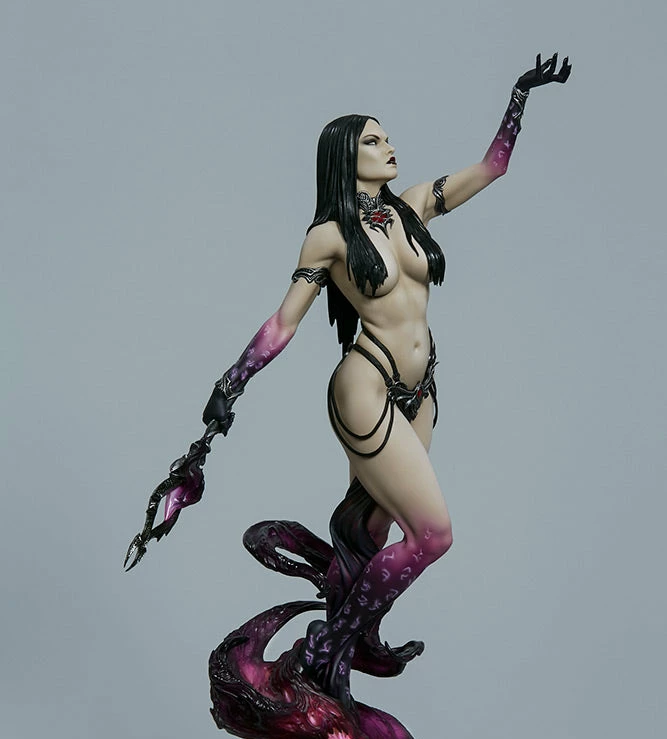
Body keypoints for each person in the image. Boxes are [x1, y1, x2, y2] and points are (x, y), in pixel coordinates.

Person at [200, 53, 571, 704]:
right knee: (431, 535)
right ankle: (333, 646)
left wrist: (519, 96)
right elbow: (284, 321)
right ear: (346, 157)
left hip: (420, 391)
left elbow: (493, 167)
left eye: (387, 137)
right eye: (373, 141)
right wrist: (232, 381)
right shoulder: (327, 236)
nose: (389, 146)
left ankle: (338, 655)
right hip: (365, 388)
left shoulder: (413, 207)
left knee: (371, 535)